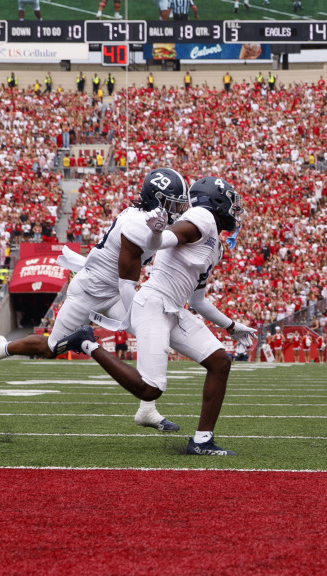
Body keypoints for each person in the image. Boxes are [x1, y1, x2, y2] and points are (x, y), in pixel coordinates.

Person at [0, 168, 191, 432]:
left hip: (114, 289)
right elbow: (126, 283)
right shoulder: (136, 224)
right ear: (154, 199)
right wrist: (137, 317)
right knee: (50, 348)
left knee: (149, 333)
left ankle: (147, 410)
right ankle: (2, 348)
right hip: (92, 290)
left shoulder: (147, 218)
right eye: (170, 203)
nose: (176, 210)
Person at [58, 177, 253, 456]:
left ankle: (201, 441)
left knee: (220, 362)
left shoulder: (215, 246)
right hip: (153, 305)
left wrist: (232, 326)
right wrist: (157, 233)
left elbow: (198, 300)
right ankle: (87, 342)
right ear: (216, 201)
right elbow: (165, 239)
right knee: (150, 390)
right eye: (231, 202)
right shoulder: (203, 217)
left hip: (173, 309)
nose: (235, 210)